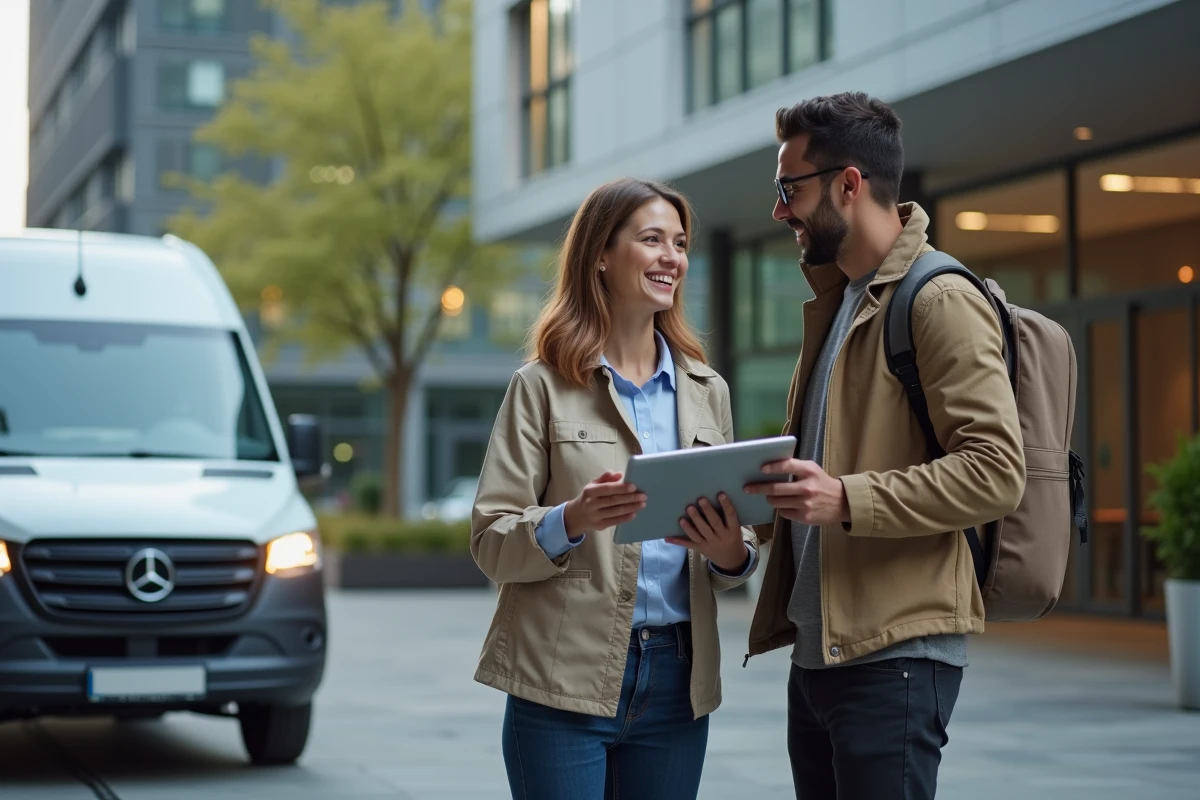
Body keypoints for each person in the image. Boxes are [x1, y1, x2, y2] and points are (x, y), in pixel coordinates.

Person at [742, 92, 1026, 799]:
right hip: (820, 656)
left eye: (789, 188)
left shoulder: (935, 298)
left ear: (848, 183)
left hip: (893, 658)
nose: (780, 210)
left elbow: (997, 471)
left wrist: (844, 497)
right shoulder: (841, 301)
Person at [470, 177, 759, 800]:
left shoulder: (708, 390)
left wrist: (730, 550)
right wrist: (570, 519)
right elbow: (491, 541)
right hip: (562, 675)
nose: (671, 257)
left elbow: (735, 554)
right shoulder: (541, 386)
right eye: (651, 239)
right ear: (601, 253)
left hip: (678, 681)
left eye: (679, 243)